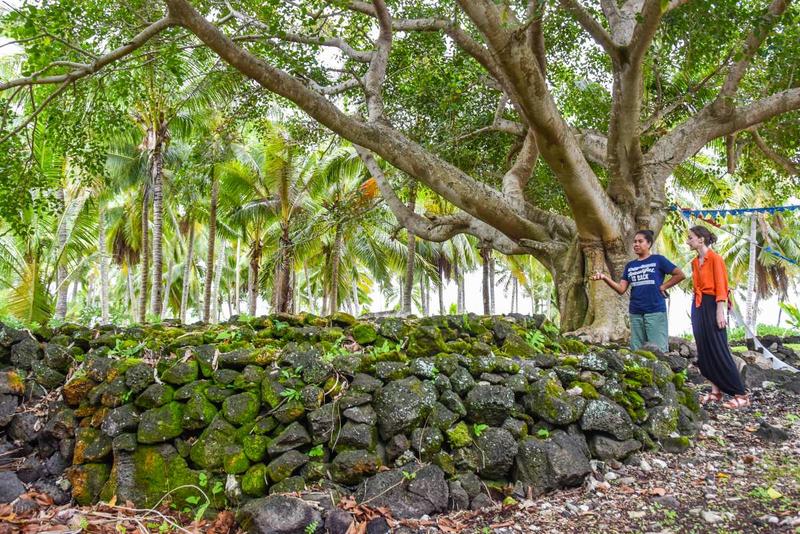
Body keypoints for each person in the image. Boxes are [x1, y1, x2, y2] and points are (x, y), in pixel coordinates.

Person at [590, 230, 685, 353]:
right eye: (635, 242)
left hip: (655, 310)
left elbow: (679, 274)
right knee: (637, 351)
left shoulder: (658, 260)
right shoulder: (630, 266)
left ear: (649, 244)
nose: (636, 244)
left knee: (658, 351)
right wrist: (604, 277)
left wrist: (663, 287)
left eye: (640, 241)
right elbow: (621, 289)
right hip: (636, 312)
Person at [686, 225, 750, 409]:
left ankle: (741, 394)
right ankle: (716, 391)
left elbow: (722, 286)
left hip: (714, 303)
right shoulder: (694, 262)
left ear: (701, 239)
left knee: (719, 347)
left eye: (690, 238)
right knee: (704, 348)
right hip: (698, 304)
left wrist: (720, 310)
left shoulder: (715, 259)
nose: (688, 241)